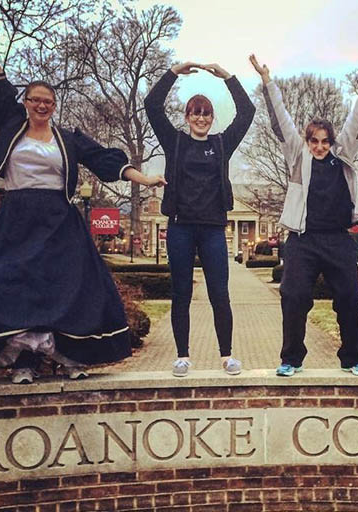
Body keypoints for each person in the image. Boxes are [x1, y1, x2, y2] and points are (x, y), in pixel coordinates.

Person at [0, 15, 166, 384]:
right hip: (17, 217)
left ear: (54, 106)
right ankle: (24, 362)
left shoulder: (67, 138)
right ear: (25, 103)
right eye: (35, 99)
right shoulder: (11, 126)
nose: (41, 105)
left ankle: (70, 355)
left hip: (58, 220)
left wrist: (145, 177)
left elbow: (105, 160)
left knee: (70, 288)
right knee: (13, 287)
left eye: (48, 101)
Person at [250, 52, 358, 378]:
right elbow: (280, 120)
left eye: (324, 142)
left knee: (350, 298)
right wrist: (267, 81)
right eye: (314, 141)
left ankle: (353, 357)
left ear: (331, 142)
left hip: (338, 240)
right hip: (303, 240)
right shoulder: (297, 156)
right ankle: (292, 359)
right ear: (307, 141)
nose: (319, 147)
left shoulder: (343, 154)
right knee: (294, 295)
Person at [144, 60, 255, 377]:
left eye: (206, 113)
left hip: (213, 230)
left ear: (211, 117)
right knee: (181, 292)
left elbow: (247, 112)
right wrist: (175, 71)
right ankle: (182, 356)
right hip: (180, 227)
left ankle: (227, 356)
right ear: (188, 117)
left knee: (220, 293)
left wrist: (228, 77)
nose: (201, 118)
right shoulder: (175, 141)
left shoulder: (222, 144)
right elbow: (152, 105)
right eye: (195, 113)